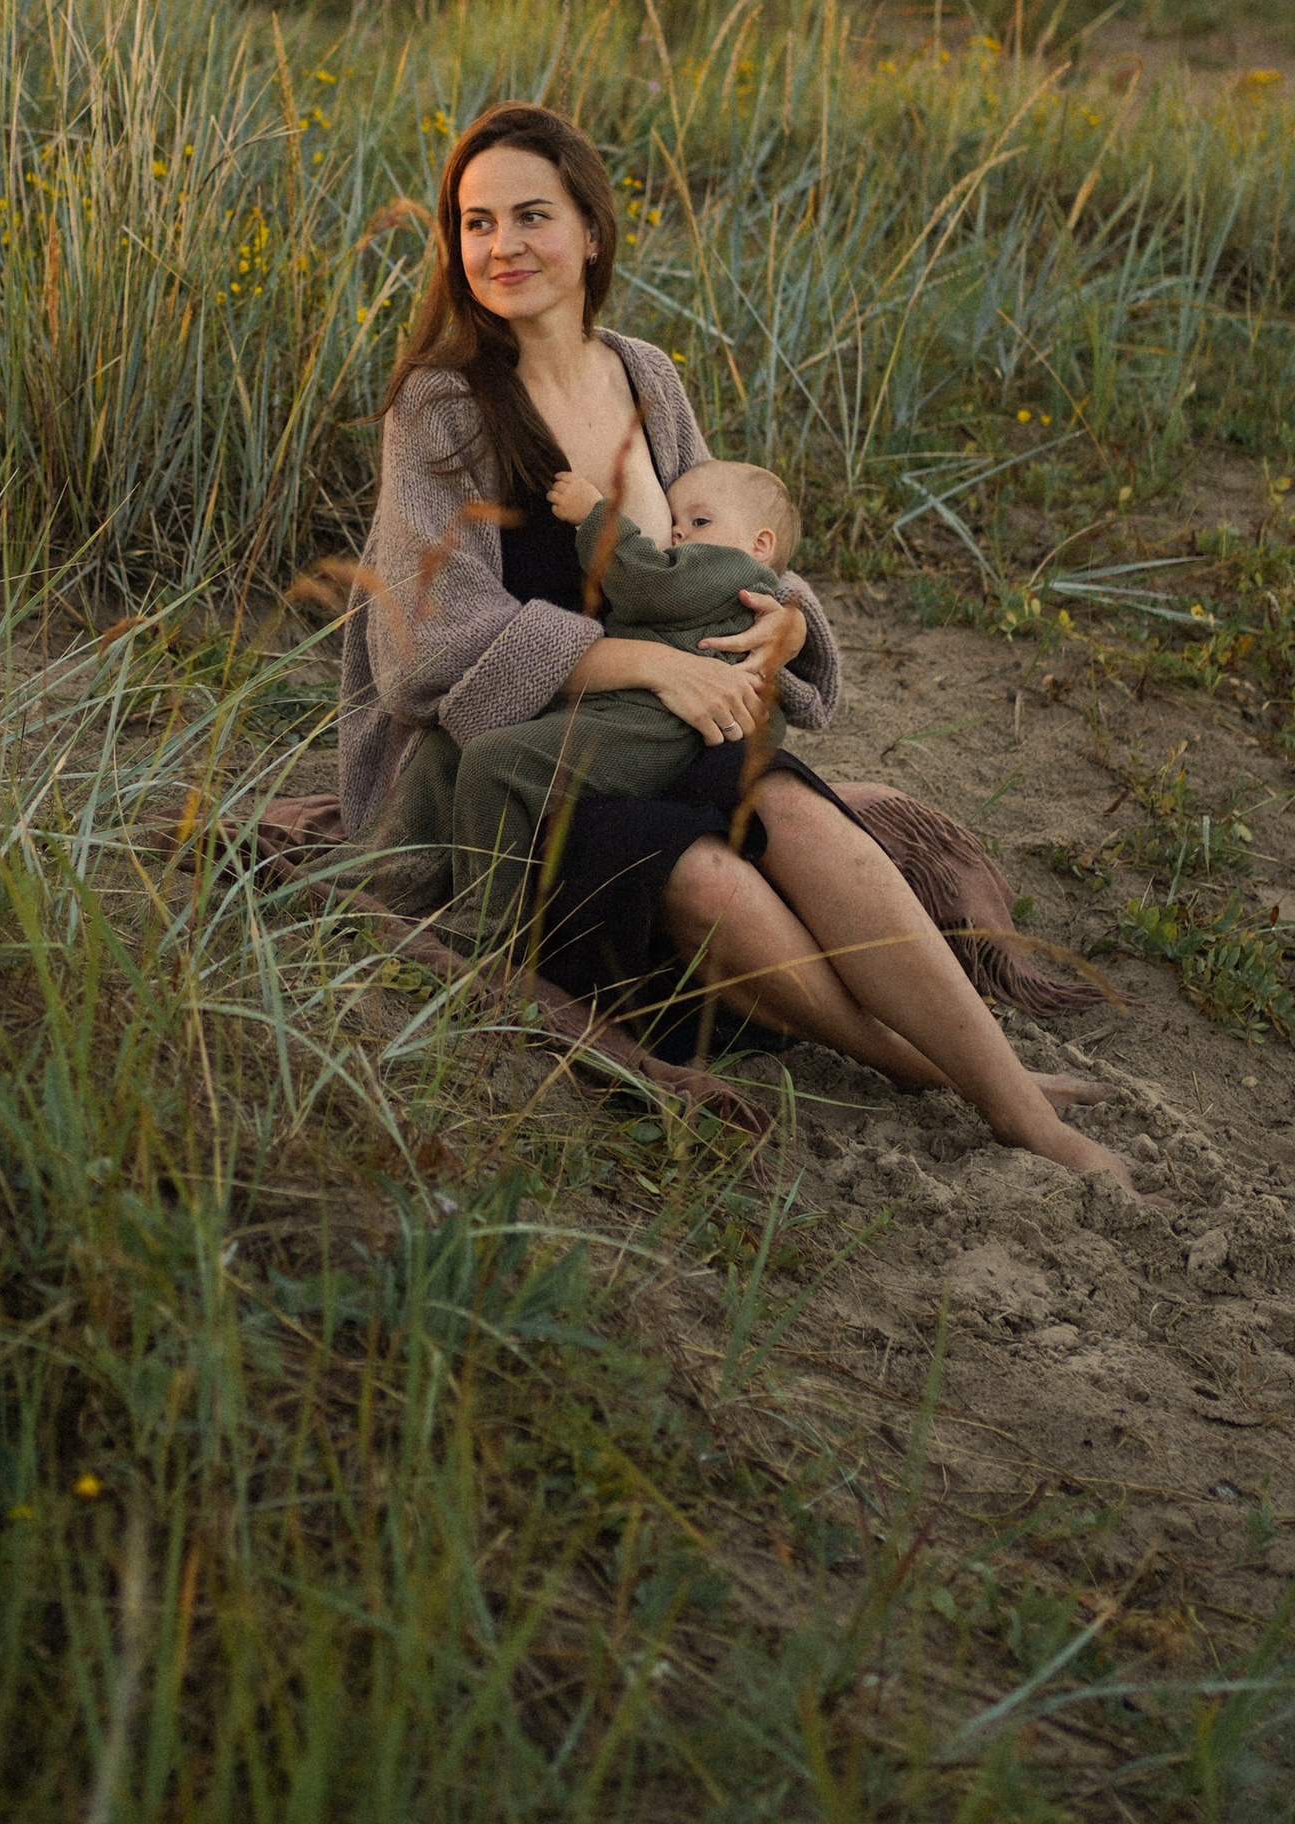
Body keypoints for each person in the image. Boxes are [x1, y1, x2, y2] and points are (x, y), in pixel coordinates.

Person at [338, 101, 1127, 1181]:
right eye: (476, 223)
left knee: (793, 809)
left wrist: (784, 621)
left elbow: (721, 546)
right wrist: (643, 661)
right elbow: (424, 645)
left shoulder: (646, 377)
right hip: (524, 778)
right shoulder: (442, 406)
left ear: (591, 230)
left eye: (531, 216)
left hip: (658, 729)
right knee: (708, 877)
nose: (502, 246)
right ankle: (936, 1074)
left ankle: (1010, 1092)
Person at [450, 456, 804, 936]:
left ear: (760, 545)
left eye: (699, 521)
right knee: (487, 756)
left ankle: (485, 929)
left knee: (495, 762)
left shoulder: (730, 570)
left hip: (661, 726)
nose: (677, 532)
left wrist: (596, 515)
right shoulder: (732, 588)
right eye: (674, 520)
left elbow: (650, 586)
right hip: (659, 717)